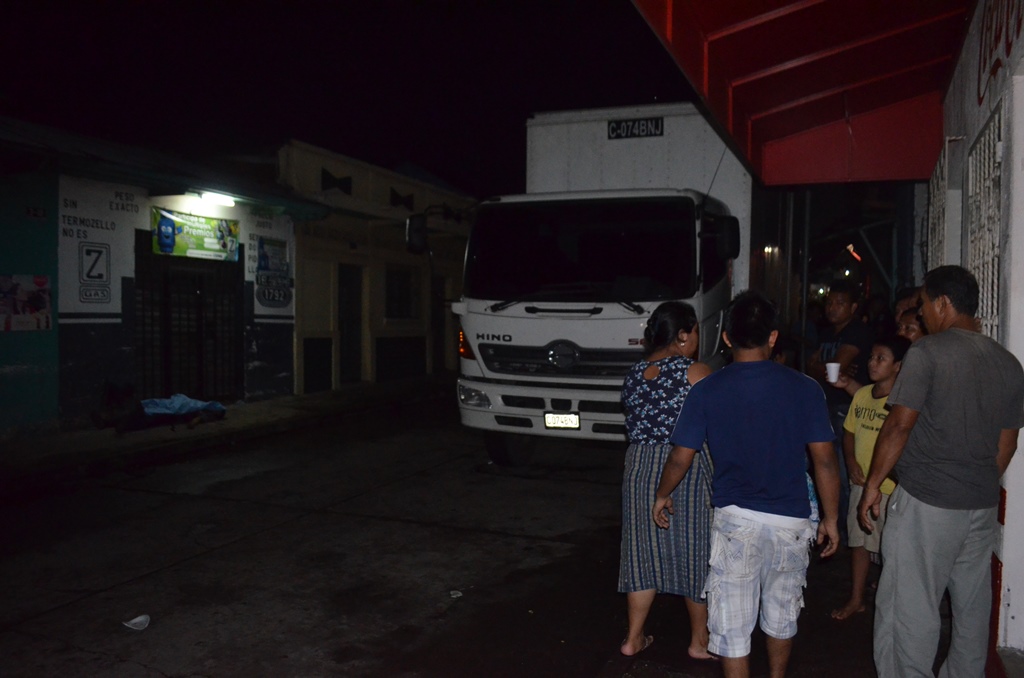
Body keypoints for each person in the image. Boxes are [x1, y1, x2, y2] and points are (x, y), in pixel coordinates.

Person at [654, 290, 841, 678]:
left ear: (726, 337)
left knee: (733, 628)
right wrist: (832, 518)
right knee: (781, 615)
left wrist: (662, 493)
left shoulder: (707, 389)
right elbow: (824, 460)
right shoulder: (806, 388)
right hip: (791, 520)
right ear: (773, 337)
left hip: (736, 520)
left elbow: (680, 457)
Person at [859, 265, 1024, 678]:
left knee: (909, 608)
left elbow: (899, 424)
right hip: (979, 507)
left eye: (923, 306)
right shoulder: (1008, 362)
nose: (921, 316)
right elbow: (1008, 443)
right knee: (971, 611)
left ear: (942, 304)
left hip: (928, 504)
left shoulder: (928, 353)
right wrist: (975, 481)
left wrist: (873, 486)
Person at [618, 301, 713, 658]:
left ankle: (633, 638)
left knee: (641, 553)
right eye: (696, 332)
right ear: (684, 335)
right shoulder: (696, 372)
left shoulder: (633, 373)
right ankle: (699, 642)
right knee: (695, 550)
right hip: (683, 462)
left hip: (640, 465)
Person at [829, 335, 911, 620]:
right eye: (872, 357)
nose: (872, 363)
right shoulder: (863, 395)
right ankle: (856, 598)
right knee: (859, 544)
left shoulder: (901, 404)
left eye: (881, 358)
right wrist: (851, 461)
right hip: (860, 485)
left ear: (898, 366)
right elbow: (849, 431)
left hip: (888, 488)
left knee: (890, 549)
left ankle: (890, 606)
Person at [806, 280, 874, 539]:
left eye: (840, 303)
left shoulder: (857, 331)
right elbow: (815, 368)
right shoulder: (827, 333)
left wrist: (821, 366)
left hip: (848, 407)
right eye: (830, 302)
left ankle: (847, 530)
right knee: (827, 466)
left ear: (854, 307)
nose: (832, 308)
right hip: (828, 404)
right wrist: (821, 367)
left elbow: (830, 367)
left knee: (845, 470)